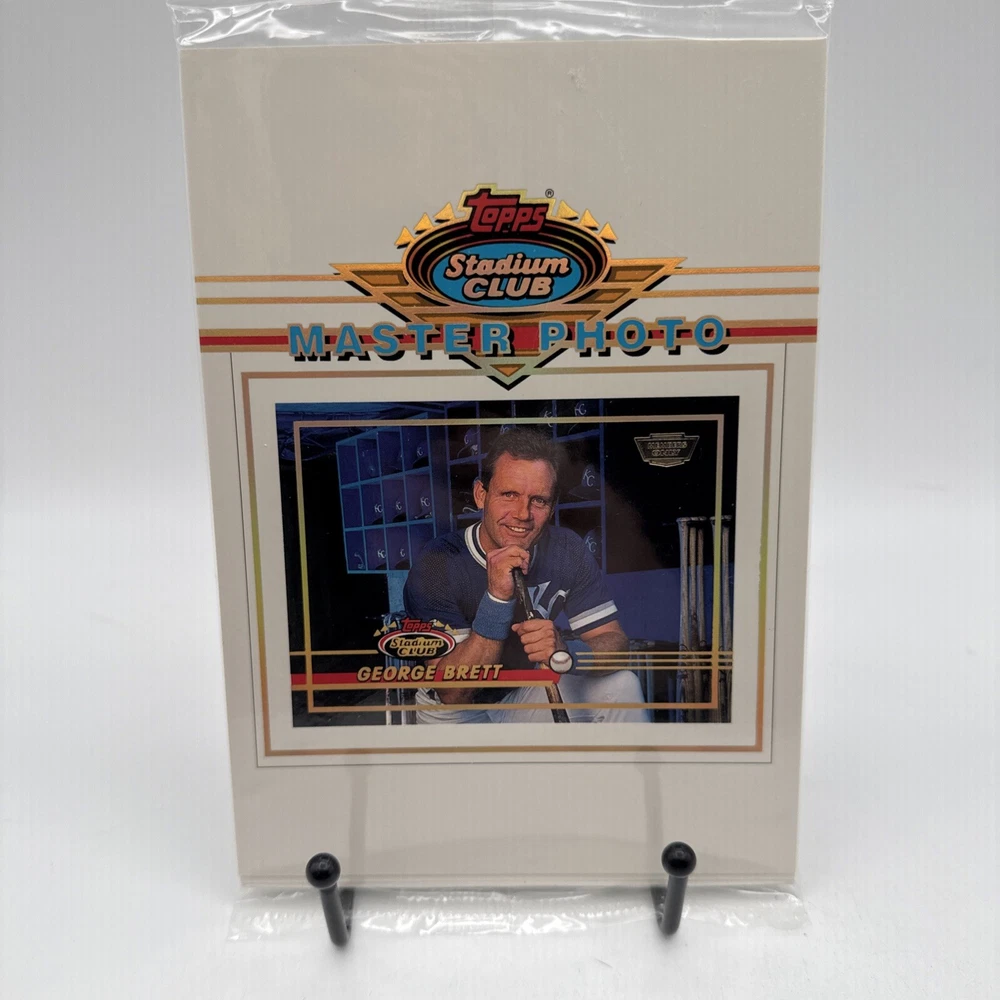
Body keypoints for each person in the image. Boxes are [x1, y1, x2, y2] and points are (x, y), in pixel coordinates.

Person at [403, 428, 649, 723]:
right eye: (509, 495)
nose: (523, 513)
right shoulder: (437, 562)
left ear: (552, 507)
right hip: (454, 713)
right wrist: (497, 599)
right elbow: (454, 691)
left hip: (522, 692)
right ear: (481, 495)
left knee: (622, 685)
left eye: (539, 500)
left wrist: (567, 652)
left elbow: (615, 642)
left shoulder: (567, 549)